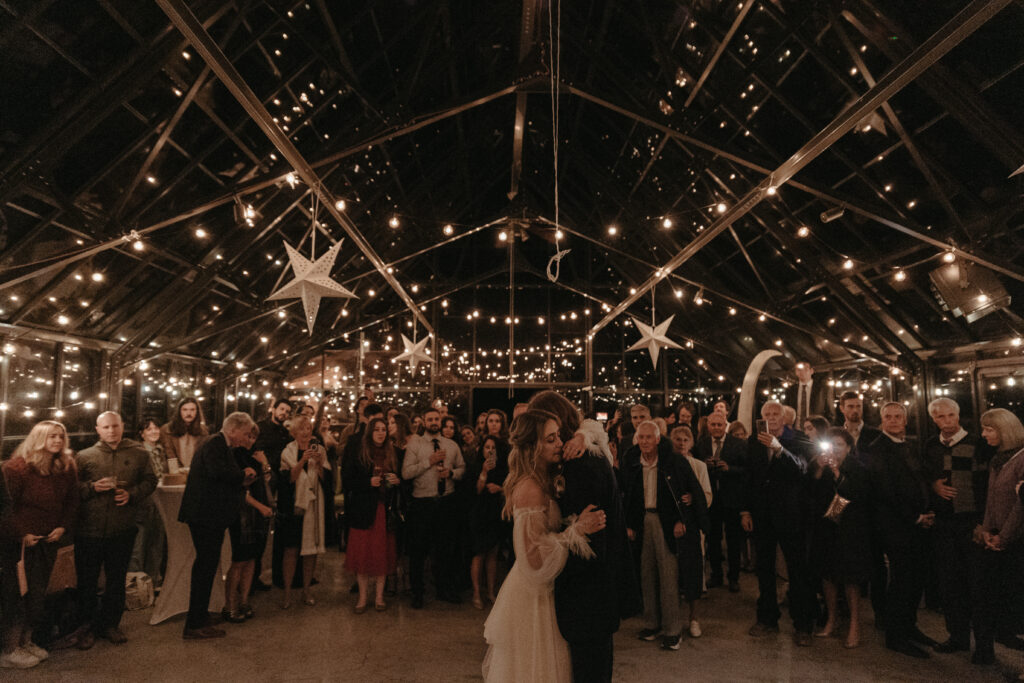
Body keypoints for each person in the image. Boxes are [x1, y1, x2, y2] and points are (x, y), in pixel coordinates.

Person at [481, 409, 606, 683]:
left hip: (546, 592)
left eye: (558, 436)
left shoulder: (543, 479)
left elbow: (595, 428)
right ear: (531, 446)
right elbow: (533, 558)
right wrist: (576, 531)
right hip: (533, 597)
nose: (560, 443)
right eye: (550, 439)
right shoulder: (529, 489)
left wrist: (584, 436)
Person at [529, 390, 639, 683]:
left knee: (590, 670)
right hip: (598, 591)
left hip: (589, 594)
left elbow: (591, 542)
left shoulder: (579, 463)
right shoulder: (586, 453)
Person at [74, 411, 157, 648]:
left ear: (122, 426)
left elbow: (151, 481)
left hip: (122, 528)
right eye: (106, 427)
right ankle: (86, 627)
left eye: (115, 426)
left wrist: (132, 494)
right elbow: (72, 490)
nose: (111, 431)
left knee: (116, 580)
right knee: (87, 582)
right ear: (98, 430)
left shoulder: (139, 454)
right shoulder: (84, 456)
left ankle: (110, 624)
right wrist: (92, 487)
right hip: (88, 530)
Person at [0, 421, 79, 669]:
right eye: (51, 436)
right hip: (20, 545)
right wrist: (20, 533)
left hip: (49, 540)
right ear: (38, 438)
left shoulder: (65, 466)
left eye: (60, 436)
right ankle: (10, 648)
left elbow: (72, 500)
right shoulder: (17, 468)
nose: (57, 440)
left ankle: (27, 640)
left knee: (37, 594)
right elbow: (6, 508)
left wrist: (62, 527)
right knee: (18, 596)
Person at [625, 421, 708, 650]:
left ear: (658, 439)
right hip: (643, 522)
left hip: (666, 523)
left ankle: (673, 630)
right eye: (641, 438)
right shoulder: (632, 462)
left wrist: (682, 520)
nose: (644, 442)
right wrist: (629, 525)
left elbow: (690, 491)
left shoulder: (674, 462)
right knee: (646, 575)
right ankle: (652, 624)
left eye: (648, 437)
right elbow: (628, 497)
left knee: (668, 577)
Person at [740, 400, 815, 646]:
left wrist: (779, 448)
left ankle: (803, 624)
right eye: (767, 414)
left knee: (798, 570)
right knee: (764, 569)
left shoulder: (799, 438)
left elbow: (802, 469)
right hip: (763, 515)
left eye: (775, 414)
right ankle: (767, 618)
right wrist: (746, 511)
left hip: (792, 515)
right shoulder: (754, 441)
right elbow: (749, 477)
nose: (771, 417)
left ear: (784, 418)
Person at [178, 412, 257, 639]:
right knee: (204, 568)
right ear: (232, 429)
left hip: (208, 516)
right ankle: (194, 624)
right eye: (245, 433)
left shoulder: (220, 445)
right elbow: (217, 472)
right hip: (205, 517)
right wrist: (242, 474)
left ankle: (200, 615)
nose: (246, 437)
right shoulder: (215, 444)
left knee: (207, 567)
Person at [923, 397, 990, 658]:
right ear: (934, 419)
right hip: (943, 524)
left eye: (951, 415)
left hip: (971, 522)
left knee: (977, 586)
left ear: (958, 415)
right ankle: (958, 637)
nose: (947, 421)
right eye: (941, 417)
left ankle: (984, 646)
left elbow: (986, 486)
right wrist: (933, 486)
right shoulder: (930, 445)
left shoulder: (978, 443)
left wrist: (983, 523)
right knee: (950, 585)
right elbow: (926, 476)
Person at [868, 401, 936, 658]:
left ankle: (910, 627)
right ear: (882, 421)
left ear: (905, 420)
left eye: (898, 416)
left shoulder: (910, 445)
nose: (894, 420)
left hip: (918, 524)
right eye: (889, 417)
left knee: (916, 578)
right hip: (896, 526)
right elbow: (885, 493)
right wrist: (916, 517)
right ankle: (895, 636)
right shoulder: (877, 449)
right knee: (901, 581)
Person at [806, 428, 872, 649]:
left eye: (840, 445)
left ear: (849, 448)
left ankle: (854, 625)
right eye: (831, 444)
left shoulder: (858, 469)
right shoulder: (820, 466)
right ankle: (831, 620)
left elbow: (857, 495)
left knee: (850, 578)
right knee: (828, 576)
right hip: (826, 529)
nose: (835, 449)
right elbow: (811, 493)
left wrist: (837, 474)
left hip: (851, 530)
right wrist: (819, 470)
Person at [973, 408, 1024, 665]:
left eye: (989, 429)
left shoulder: (1021, 458)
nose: (983, 434)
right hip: (994, 539)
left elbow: (1020, 506)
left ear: (1005, 430)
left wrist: (1003, 537)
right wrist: (985, 530)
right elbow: (991, 499)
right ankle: (984, 650)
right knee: (984, 595)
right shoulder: (998, 458)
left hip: (1014, 542)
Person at [401, 408, 465, 608]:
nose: (434, 422)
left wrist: (452, 473)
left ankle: (443, 589)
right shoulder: (415, 444)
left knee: (445, 549)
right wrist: (429, 462)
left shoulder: (451, 445)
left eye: (437, 419)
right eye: (430, 419)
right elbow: (406, 473)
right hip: (422, 502)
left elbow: (462, 468)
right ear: (424, 422)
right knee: (419, 550)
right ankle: (418, 592)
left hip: (446, 502)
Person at [344, 416, 400, 613]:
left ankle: (379, 597)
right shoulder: (360, 452)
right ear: (370, 432)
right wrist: (368, 483)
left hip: (384, 510)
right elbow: (348, 481)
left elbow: (401, 480)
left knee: (381, 553)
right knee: (362, 554)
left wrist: (395, 480)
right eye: (377, 429)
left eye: (383, 429)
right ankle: (362, 597)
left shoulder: (392, 453)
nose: (380, 433)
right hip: (363, 510)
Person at [279, 415, 331, 608]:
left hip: (314, 504)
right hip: (295, 505)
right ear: (294, 432)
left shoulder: (320, 449)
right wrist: (303, 460)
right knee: (291, 549)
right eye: (302, 428)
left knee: (311, 551)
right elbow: (289, 479)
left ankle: (307, 590)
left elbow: (327, 479)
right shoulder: (288, 451)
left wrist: (318, 464)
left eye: (309, 428)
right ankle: (287, 593)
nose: (306, 432)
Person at [224, 424, 273, 622]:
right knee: (239, 560)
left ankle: (244, 601)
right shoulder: (234, 455)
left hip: (258, 511)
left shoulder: (255, 456)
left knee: (253, 557)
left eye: (254, 437)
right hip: (243, 512)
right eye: (248, 436)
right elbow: (238, 488)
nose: (250, 440)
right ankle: (230, 605)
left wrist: (264, 464)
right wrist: (259, 506)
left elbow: (266, 481)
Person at [695, 412, 746, 592]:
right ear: (708, 426)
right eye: (713, 425)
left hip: (732, 498)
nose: (716, 428)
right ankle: (716, 574)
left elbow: (747, 470)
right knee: (713, 539)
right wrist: (705, 466)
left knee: (733, 541)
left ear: (725, 426)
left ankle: (734, 577)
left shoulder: (738, 444)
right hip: (711, 500)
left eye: (719, 425)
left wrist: (729, 468)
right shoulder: (700, 444)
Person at [470, 435, 510, 609]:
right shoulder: (476, 466)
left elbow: (510, 488)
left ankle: (491, 592)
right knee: (478, 553)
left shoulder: (503, 468)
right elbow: (476, 490)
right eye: (487, 447)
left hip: (495, 513)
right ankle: (476, 592)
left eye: (493, 447)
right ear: (482, 449)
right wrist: (484, 472)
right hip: (480, 513)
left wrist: (500, 488)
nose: (490, 450)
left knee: (493, 553)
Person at [255, 398, 291, 590]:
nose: (284, 413)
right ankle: (253, 576)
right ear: (273, 409)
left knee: (267, 528)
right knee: (258, 526)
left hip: (279, 482)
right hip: (262, 480)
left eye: (287, 411)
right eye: (282, 409)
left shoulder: (285, 433)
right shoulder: (260, 428)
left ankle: (260, 574)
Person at [129, 418, 166, 587]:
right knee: (139, 542)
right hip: (144, 500)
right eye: (148, 429)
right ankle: (135, 585)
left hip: (160, 498)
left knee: (157, 541)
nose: (153, 431)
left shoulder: (160, 450)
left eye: (155, 427)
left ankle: (154, 580)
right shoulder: (138, 451)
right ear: (141, 434)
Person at [159, 397, 209, 471]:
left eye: (192, 410)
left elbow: (204, 456)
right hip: (173, 473)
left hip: (195, 472)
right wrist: (177, 472)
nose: (188, 413)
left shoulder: (203, 431)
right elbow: (169, 455)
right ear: (179, 411)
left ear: (197, 412)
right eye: (185, 410)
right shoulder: (167, 429)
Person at [839, 391, 881, 463]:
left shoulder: (877, 435)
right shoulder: (837, 434)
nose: (855, 410)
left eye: (858, 406)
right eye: (850, 406)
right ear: (842, 408)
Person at [786, 362, 830, 428]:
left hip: (816, 429)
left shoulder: (822, 389)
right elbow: (786, 409)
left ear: (811, 371)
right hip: (795, 429)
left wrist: (825, 429)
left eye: (805, 369)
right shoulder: (791, 390)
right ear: (796, 372)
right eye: (799, 370)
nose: (802, 372)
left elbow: (830, 413)